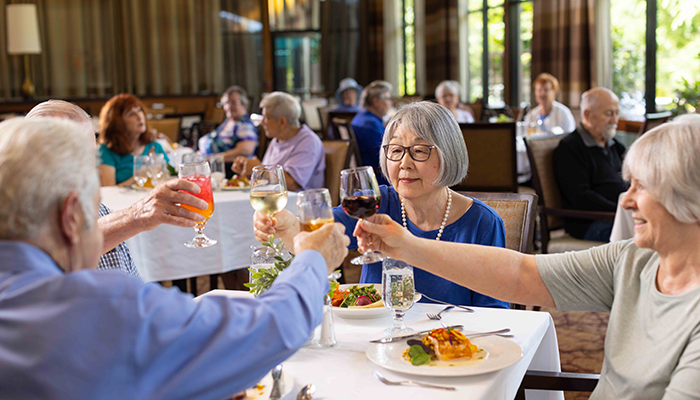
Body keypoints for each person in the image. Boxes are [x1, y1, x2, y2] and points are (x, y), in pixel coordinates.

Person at [0, 116, 350, 399]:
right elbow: (267, 329)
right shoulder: (95, 306)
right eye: (96, 213)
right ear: (72, 217)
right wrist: (313, 258)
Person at [353, 114, 700, 400]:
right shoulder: (634, 259)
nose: (625, 201)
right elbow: (521, 273)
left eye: (644, 186)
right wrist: (406, 244)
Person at [255, 102, 509, 308]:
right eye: (396, 150)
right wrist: (288, 227)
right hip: (376, 345)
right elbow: (318, 235)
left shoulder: (481, 223)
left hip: (451, 353)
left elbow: (496, 313)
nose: (404, 163)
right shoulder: (378, 204)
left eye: (419, 150)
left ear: (449, 154)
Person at [26, 100, 208, 279]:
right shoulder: (21, 215)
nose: (88, 166)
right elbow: (60, 249)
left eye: (90, 153)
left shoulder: (96, 208)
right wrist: (136, 216)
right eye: (73, 153)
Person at [553, 87, 629, 241]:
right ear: (587, 114)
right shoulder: (569, 148)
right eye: (609, 114)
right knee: (647, 234)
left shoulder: (615, 145)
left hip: (620, 215)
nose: (615, 120)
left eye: (616, 113)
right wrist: (621, 209)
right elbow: (581, 198)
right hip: (590, 223)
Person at [232, 91, 325, 191]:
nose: (262, 123)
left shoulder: (308, 142)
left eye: (266, 118)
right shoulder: (277, 140)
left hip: (298, 203)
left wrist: (259, 170)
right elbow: (268, 180)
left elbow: (292, 184)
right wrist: (248, 171)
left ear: (282, 122)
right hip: (274, 200)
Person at [97, 94, 170, 186]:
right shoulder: (106, 152)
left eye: (139, 110)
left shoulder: (155, 147)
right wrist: (142, 171)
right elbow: (108, 191)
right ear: (118, 123)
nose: (140, 117)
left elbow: (167, 179)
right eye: (131, 114)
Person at [198, 85, 258, 162]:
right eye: (226, 103)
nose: (228, 107)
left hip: (224, 168)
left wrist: (214, 158)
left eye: (233, 103)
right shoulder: (228, 122)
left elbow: (246, 150)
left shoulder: (244, 125)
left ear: (244, 104)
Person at [351, 80, 393, 186]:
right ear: (376, 101)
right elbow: (385, 157)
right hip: (378, 179)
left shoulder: (362, 117)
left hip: (369, 176)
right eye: (387, 99)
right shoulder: (370, 124)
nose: (390, 103)